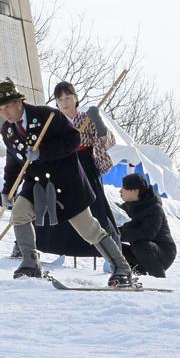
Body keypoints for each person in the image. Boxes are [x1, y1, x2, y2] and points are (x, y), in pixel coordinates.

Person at [0, 79, 135, 287]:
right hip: (37, 184)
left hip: (66, 182)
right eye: (0, 109)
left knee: (89, 229)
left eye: (8, 106)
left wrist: (44, 152)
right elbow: (13, 163)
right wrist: (8, 190)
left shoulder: (47, 116)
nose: (5, 113)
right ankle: (30, 264)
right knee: (19, 214)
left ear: (19, 103)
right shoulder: (8, 130)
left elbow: (73, 140)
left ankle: (121, 267)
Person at [43, 80, 122, 261]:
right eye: (60, 99)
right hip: (63, 167)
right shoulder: (53, 122)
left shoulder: (86, 119)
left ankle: (113, 254)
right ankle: (60, 250)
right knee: (59, 207)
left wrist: (98, 124)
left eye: (68, 97)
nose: (65, 102)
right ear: (56, 102)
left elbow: (107, 142)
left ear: (76, 98)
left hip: (85, 165)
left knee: (97, 209)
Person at [118, 173, 177, 278]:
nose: (121, 191)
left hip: (163, 253)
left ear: (135, 191)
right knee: (113, 246)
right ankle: (129, 275)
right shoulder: (127, 207)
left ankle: (159, 277)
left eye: (124, 188)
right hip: (140, 252)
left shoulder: (154, 208)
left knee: (140, 244)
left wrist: (119, 234)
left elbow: (146, 234)